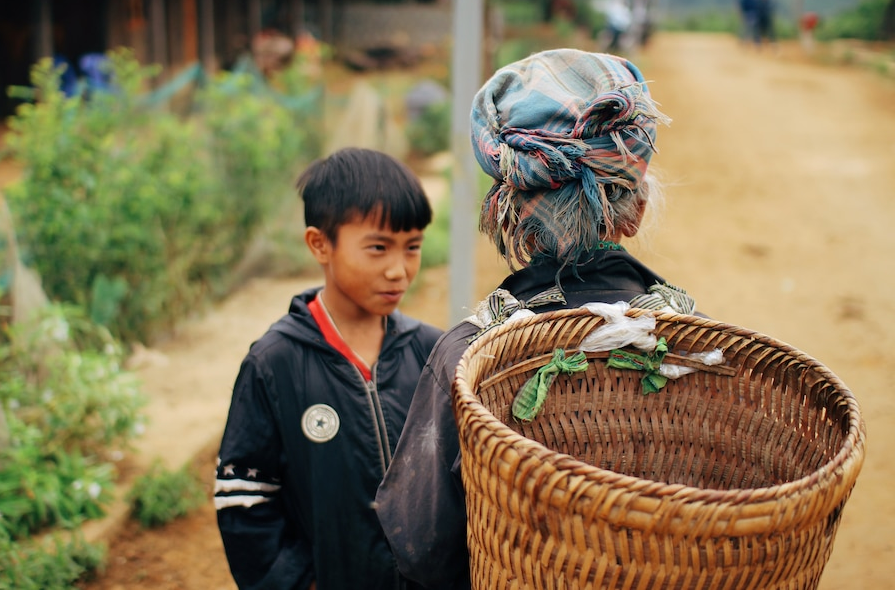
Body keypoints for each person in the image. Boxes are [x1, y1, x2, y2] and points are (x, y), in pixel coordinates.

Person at [374, 49, 697, 589]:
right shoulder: (702, 349)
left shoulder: (468, 362)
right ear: (636, 212)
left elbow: (422, 552)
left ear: (509, 214)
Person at [214, 146, 443, 590]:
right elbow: (244, 498)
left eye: (412, 247)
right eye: (378, 248)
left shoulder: (431, 354)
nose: (399, 270)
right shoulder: (274, 364)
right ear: (320, 244)